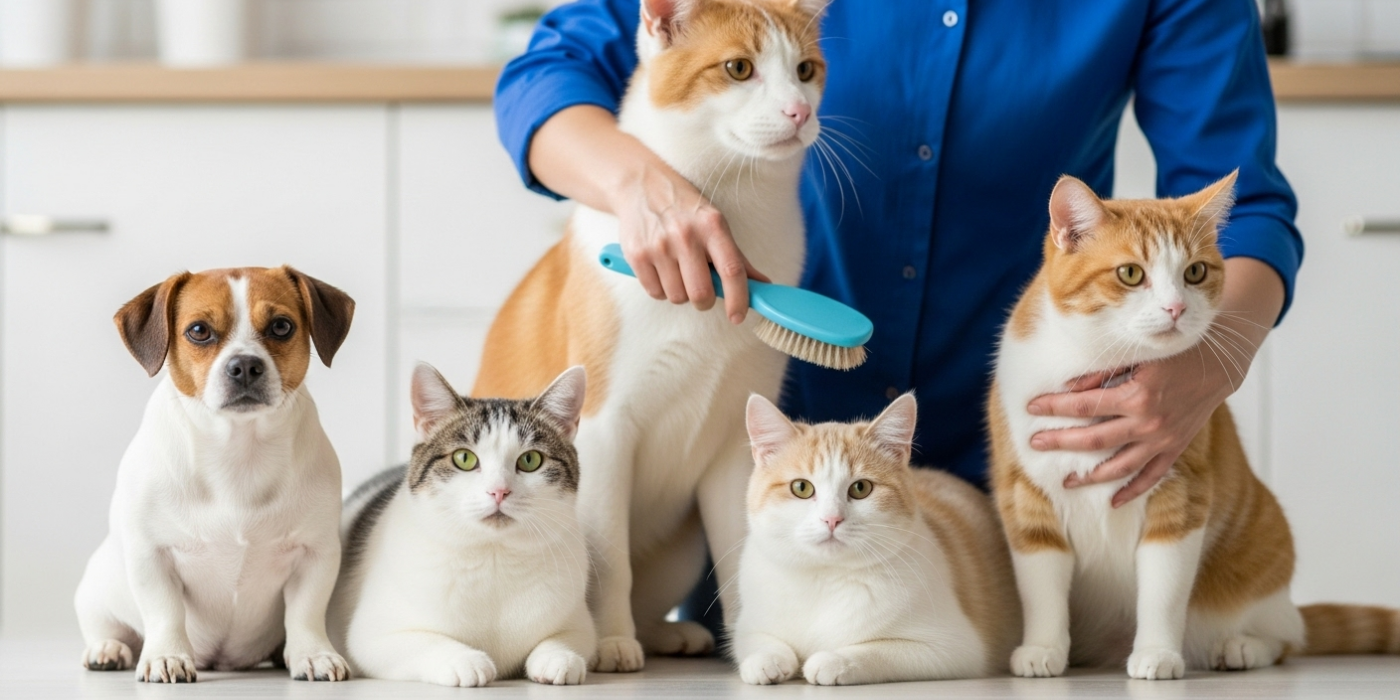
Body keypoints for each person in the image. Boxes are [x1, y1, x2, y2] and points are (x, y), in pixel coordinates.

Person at [496, 1, 1300, 516]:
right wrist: (636, 184)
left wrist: (1208, 365)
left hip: (1026, 483)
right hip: (772, 495)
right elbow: (546, 76)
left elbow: (1245, 207)